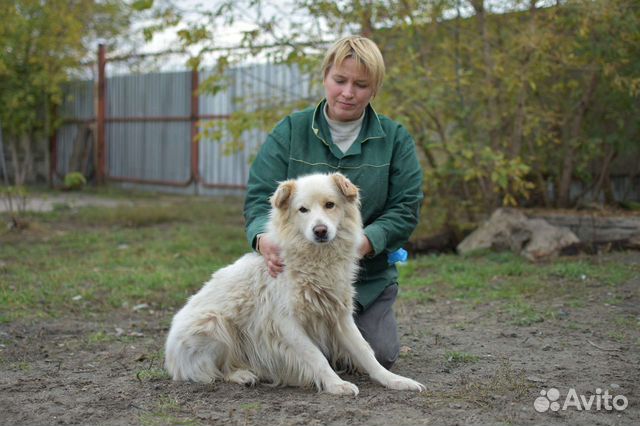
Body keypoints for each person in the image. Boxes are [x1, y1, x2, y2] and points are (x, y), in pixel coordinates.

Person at [243, 35, 423, 369]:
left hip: (365, 277)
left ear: (374, 89)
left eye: (361, 84)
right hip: (297, 273)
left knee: (379, 355)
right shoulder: (290, 131)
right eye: (339, 80)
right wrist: (262, 237)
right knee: (288, 347)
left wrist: (363, 243)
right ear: (325, 75)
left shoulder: (394, 138)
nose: (348, 93)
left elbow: (406, 206)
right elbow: (258, 197)